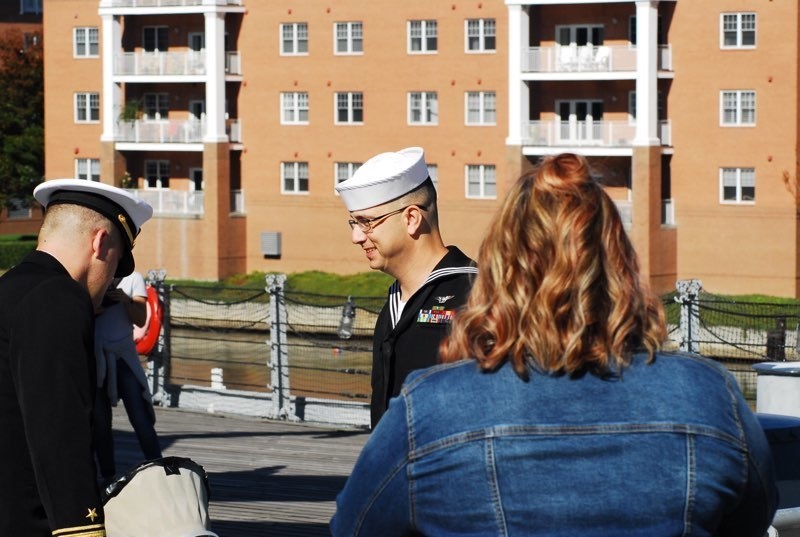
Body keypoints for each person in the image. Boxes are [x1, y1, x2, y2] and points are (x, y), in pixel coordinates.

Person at [331, 153, 778, 536]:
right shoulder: (709, 396)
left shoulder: (429, 406)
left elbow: (357, 526)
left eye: (363, 223)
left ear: (503, 263)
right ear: (620, 258)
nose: (355, 236)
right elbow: (753, 517)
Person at [0, 179, 152, 537]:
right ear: (99, 242)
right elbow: (59, 431)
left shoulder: (11, 288)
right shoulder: (61, 299)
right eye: (115, 265)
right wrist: (82, 530)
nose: (111, 281)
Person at [335, 147, 477, 427]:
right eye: (354, 222)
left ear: (411, 218)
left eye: (367, 222)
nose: (356, 236)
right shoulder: (394, 302)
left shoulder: (476, 297)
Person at [93, 270, 163, 486]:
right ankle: (107, 475)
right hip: (97, 356)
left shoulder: (134, 278)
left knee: (140, 417)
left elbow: (141, 318)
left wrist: (125, 300)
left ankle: (160, 469)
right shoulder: (93, 277)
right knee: (100, 423)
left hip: (123, 356)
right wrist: (98, 306)